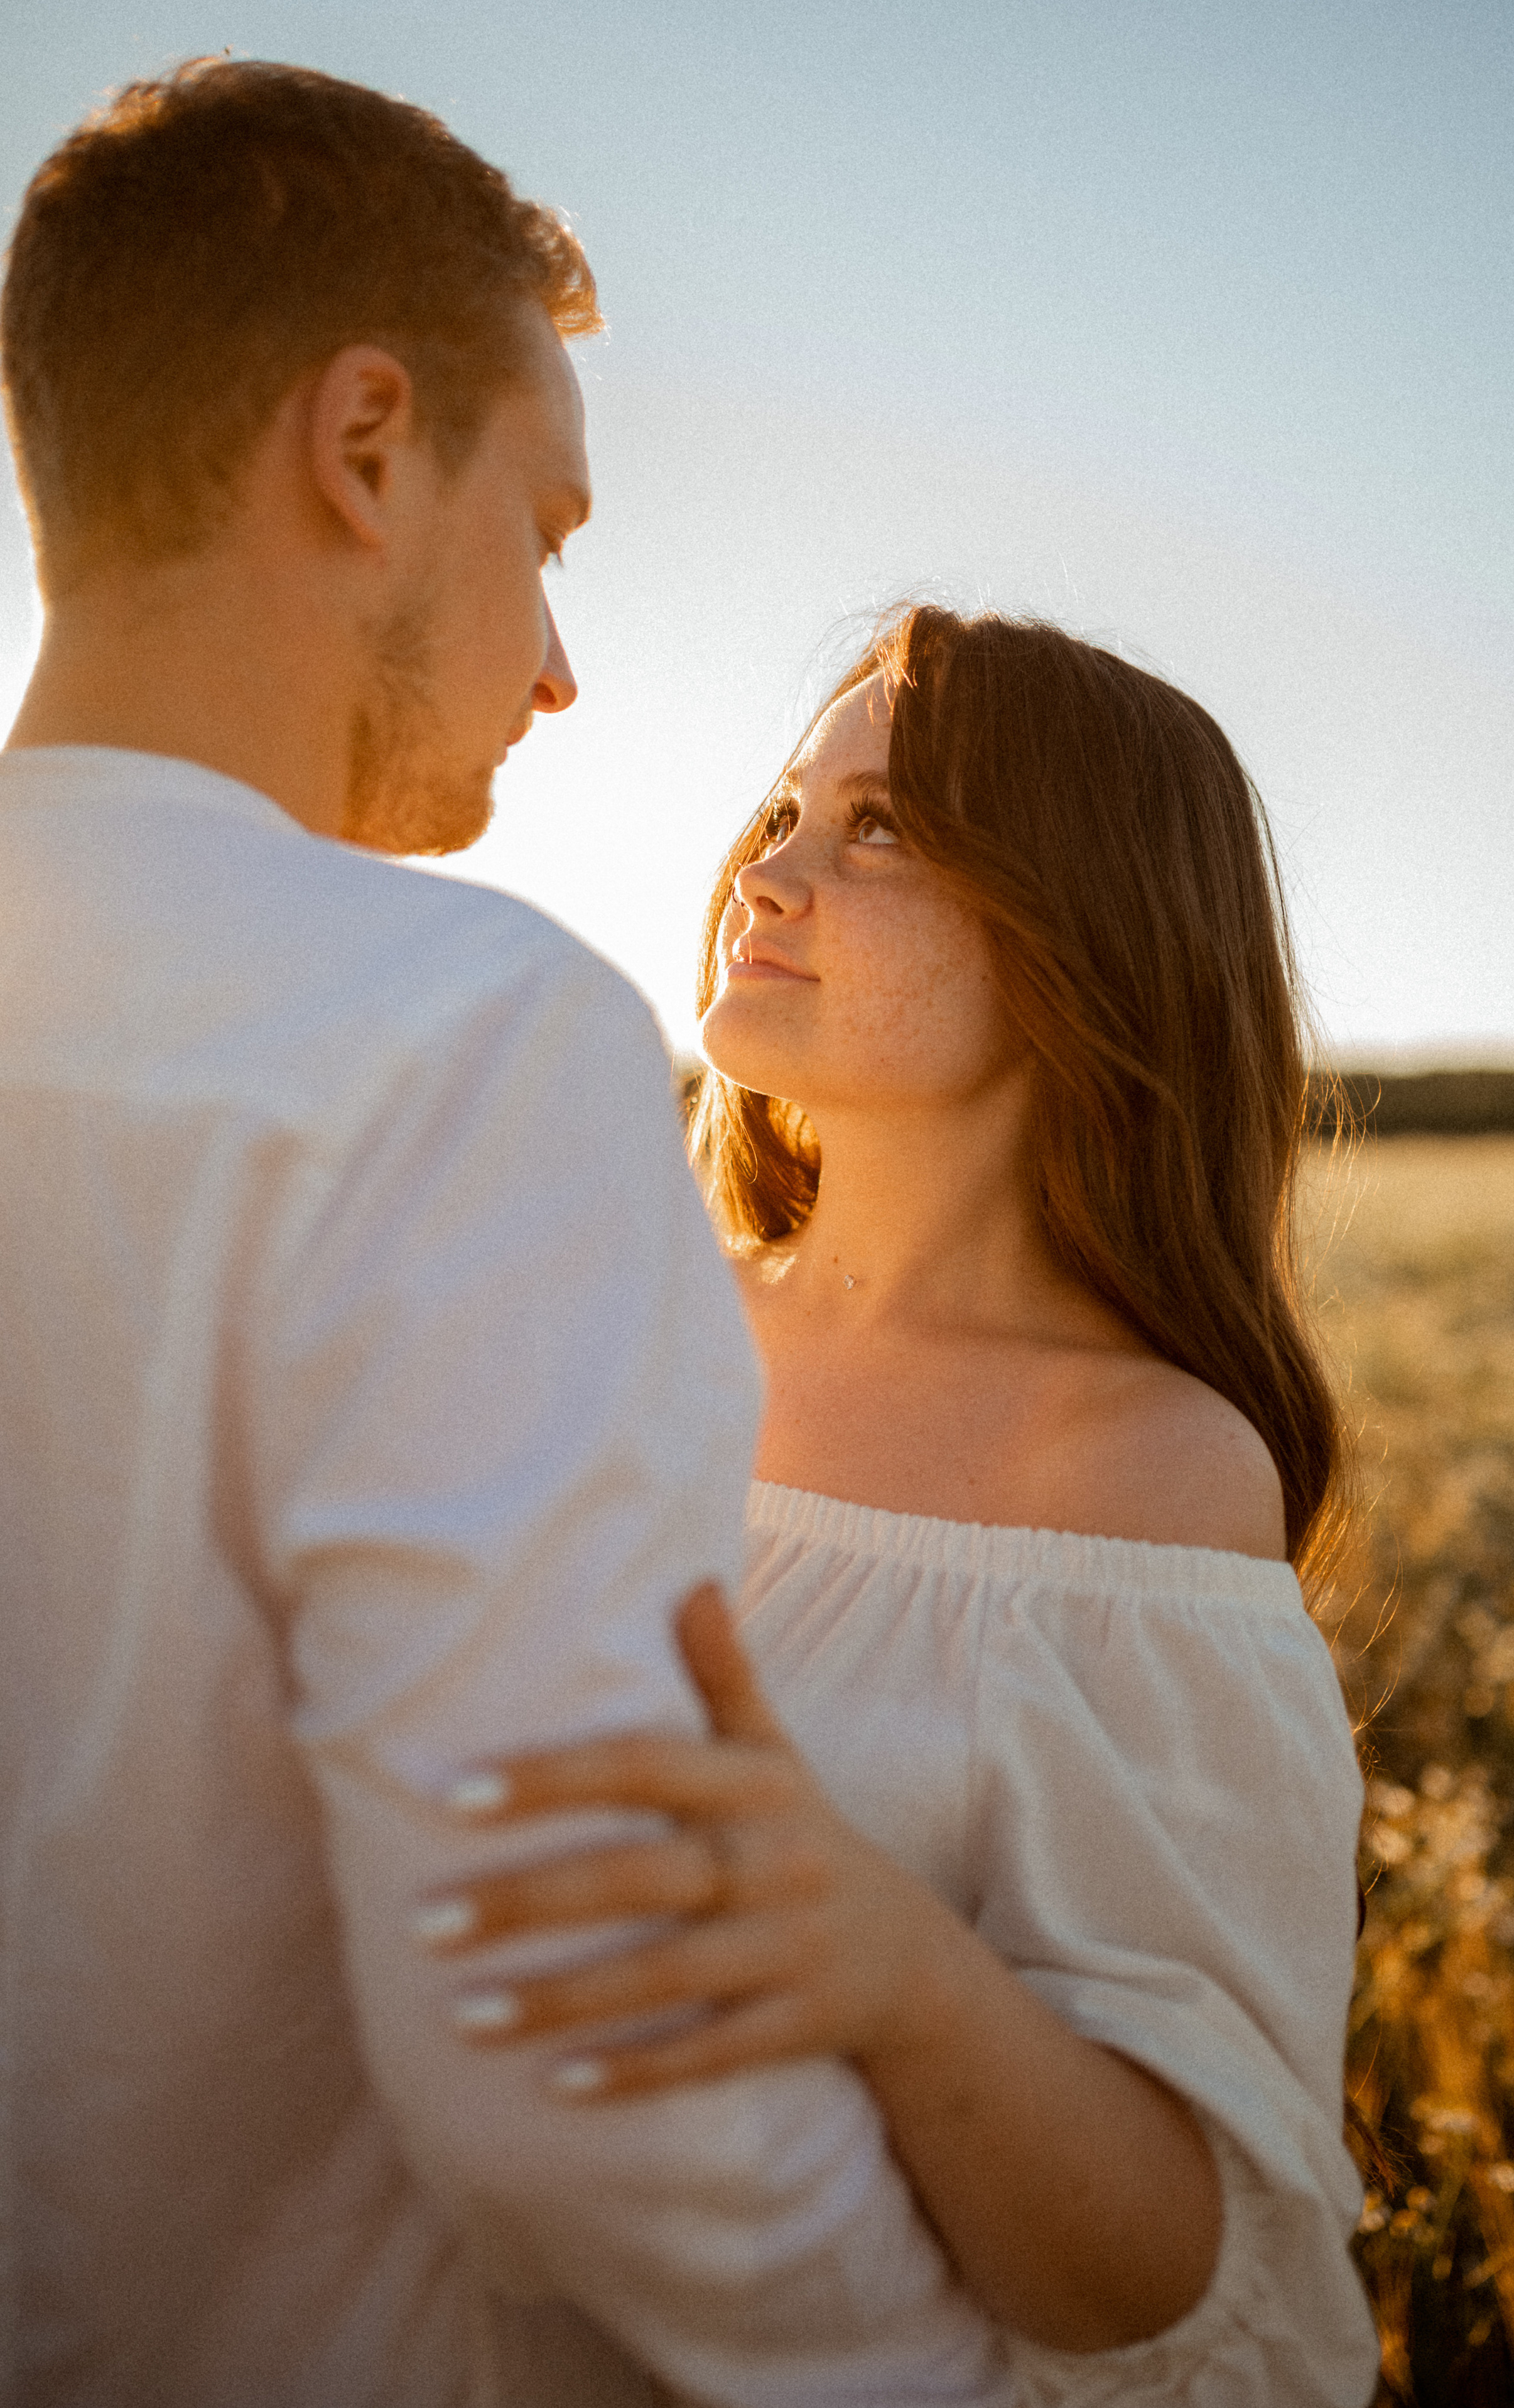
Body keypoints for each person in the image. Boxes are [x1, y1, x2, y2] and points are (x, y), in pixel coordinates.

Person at [0, 65, 1018, 2407]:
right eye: (542, 525)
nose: (557, 660)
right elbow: (563, 2035)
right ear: (367, 447)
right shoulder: (463, 1041)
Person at [414, 608, 1383, 2405]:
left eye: (880, 829)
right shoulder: (611, 1311)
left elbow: (1167, 2268)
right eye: (784, 813)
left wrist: (894, 1966)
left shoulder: (1148, 1469)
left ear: (1084, 933)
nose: (769, 872)